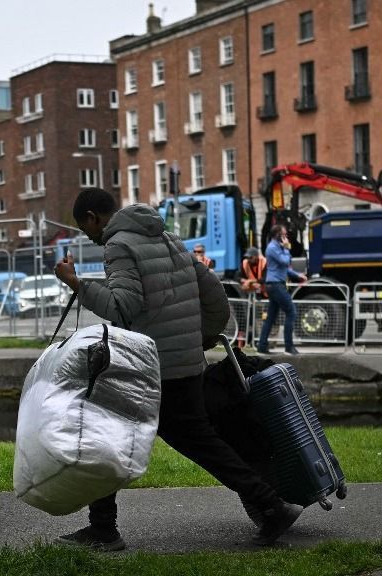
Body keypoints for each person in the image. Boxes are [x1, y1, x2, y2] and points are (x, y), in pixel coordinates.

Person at [53, 187, 302, 550]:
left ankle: (104, 530)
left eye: (85, 227)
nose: (89, 235)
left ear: (93, 217)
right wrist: (200, 337)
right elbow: (214, 294)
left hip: (155, 366)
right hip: (185, 362)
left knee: (109, 436)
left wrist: (76, 283)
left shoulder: (118, 245)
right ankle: (269, 503)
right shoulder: (168, 237)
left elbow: (124, 307)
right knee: (196, 440)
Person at [257, 225, 307, 356]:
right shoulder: (272, 247)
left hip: (275, 284)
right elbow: (285, 261)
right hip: (275, 285)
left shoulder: (277, 247)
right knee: (291, 312)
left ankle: (262, 346)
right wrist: (287, 248)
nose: (286, 237)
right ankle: (289, 347)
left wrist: (297, 275)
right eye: (284, 234)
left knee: (271, 317)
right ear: (277, 235)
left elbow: (285, 268)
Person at [237, 247, 268, 348]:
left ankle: (267, 341)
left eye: (251, 257)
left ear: (256, 256)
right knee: (252, 319)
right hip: (252, 296)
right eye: (248, 257)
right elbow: (236, 276)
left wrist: (250, 281)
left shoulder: (264, 262)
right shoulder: (245, 263)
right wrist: (243, 281)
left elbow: (265, 278)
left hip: (265, 295)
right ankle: (254, 341)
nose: (249, 259)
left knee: (265, 318)